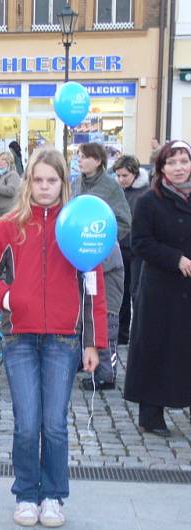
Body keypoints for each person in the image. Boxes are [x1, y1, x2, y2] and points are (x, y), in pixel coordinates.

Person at [0, 147, 107, 528]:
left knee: (53, 423)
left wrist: (92, 342)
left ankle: (53, 495)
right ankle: (26, 494)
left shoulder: (78, 225)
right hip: (19, 337)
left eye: (53, 180)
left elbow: (94, 286)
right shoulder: (10, 225)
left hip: (64, 340)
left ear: (64, 183)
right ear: (28, 181)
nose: (45, 187)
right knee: (26, 422)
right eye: (38, 180)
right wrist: (7, 297)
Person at [124, 140, 191, 436]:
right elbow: (140, 242)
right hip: (160, 289)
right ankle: (151, 415)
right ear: (161, 167)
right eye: (172, 162)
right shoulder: (149, 201)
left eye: (184, 161)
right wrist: (174, 258)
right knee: (157, 348)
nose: (179, 167)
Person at [73, 143, 130, 391]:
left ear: (97, 160)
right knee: (83, 316)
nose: (80, 160)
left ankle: (106, 373)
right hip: (78, 261)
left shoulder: (110, 187)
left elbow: (123, 221)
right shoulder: (76, 184)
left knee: (106, 318)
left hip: (106, 264)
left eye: (84, 157)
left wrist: (100, 241)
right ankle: (83, 361)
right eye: (79, 156)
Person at [112, 155, 150, 344]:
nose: (121, 180)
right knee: (122, 294)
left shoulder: (145, 193)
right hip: (121, 248)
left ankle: (139, 334)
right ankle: (122, 334)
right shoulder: (119, 191)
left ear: (134, 174)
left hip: (138, 251)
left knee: (136, 292)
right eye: (118, 176)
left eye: (124, 176)